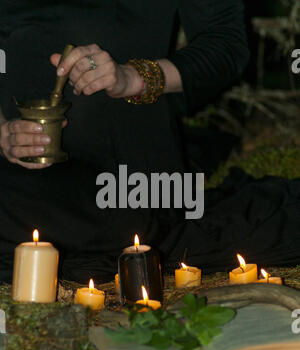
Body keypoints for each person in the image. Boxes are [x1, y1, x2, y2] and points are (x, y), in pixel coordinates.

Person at [0, 1, 299, 284]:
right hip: (15, 171)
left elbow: (226, 46)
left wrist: (132, 77)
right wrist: (2, 131)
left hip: (121, 176)